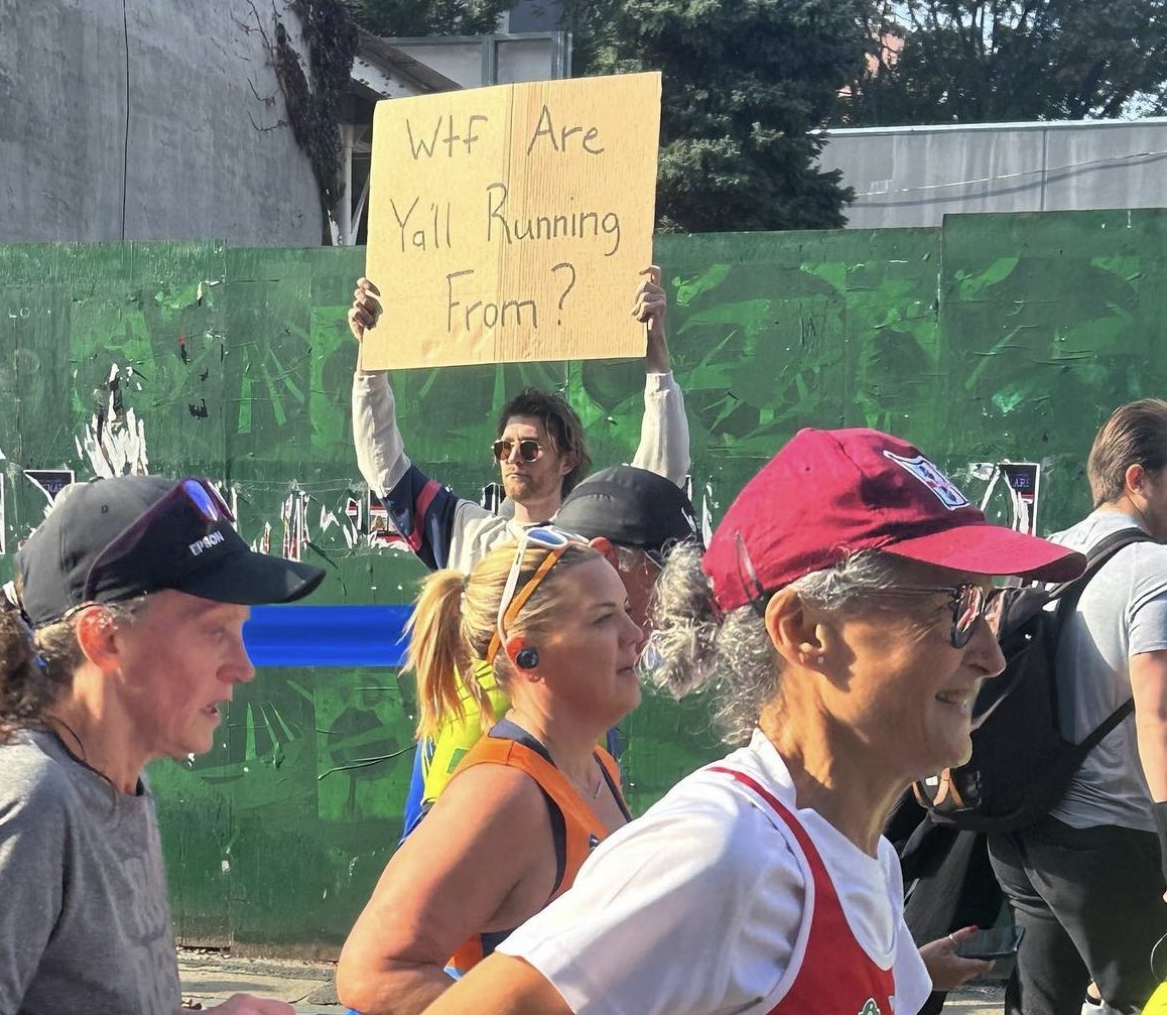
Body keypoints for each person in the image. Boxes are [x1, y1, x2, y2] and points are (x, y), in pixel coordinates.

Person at [420, 427, 1086, 1015]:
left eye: (991, 603)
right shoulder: (721, 855)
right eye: (956, 605)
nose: (992, 656)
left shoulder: (867, 858)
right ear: (803, 630)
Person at [0, 475, 326, 1015]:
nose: (244, 668)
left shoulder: (120, 782)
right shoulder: (31, 800)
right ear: (106, 639)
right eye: (215, 630)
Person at [336, 529, 643, 1015]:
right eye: (604, 619)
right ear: (527, 656)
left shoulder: (596, 766)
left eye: (625, 609)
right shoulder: (505, 793)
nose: (635, 633)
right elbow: (372, 971)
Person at [988, 399, 1167, 1015]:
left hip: (1022, 828)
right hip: (1108, 840)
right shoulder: (1155, 569)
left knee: (1045, 998)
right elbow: (1158, 716)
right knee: (1145, 997)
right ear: (1137, 478)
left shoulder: (1042, 553)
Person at [347, 264, 691, 574]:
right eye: (504, 448)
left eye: (530, 449)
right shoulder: (466, 534)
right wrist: (372, 355)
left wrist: (655, 346)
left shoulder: (594, 537)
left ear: (567, 460)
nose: (513, 458)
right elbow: (383, 468)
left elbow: (663, 472)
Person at [412, 464, 701, 823]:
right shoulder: (511, 696)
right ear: (607, 559)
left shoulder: (573, 706)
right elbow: (443, 848)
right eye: (666, 580)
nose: (665, 614)